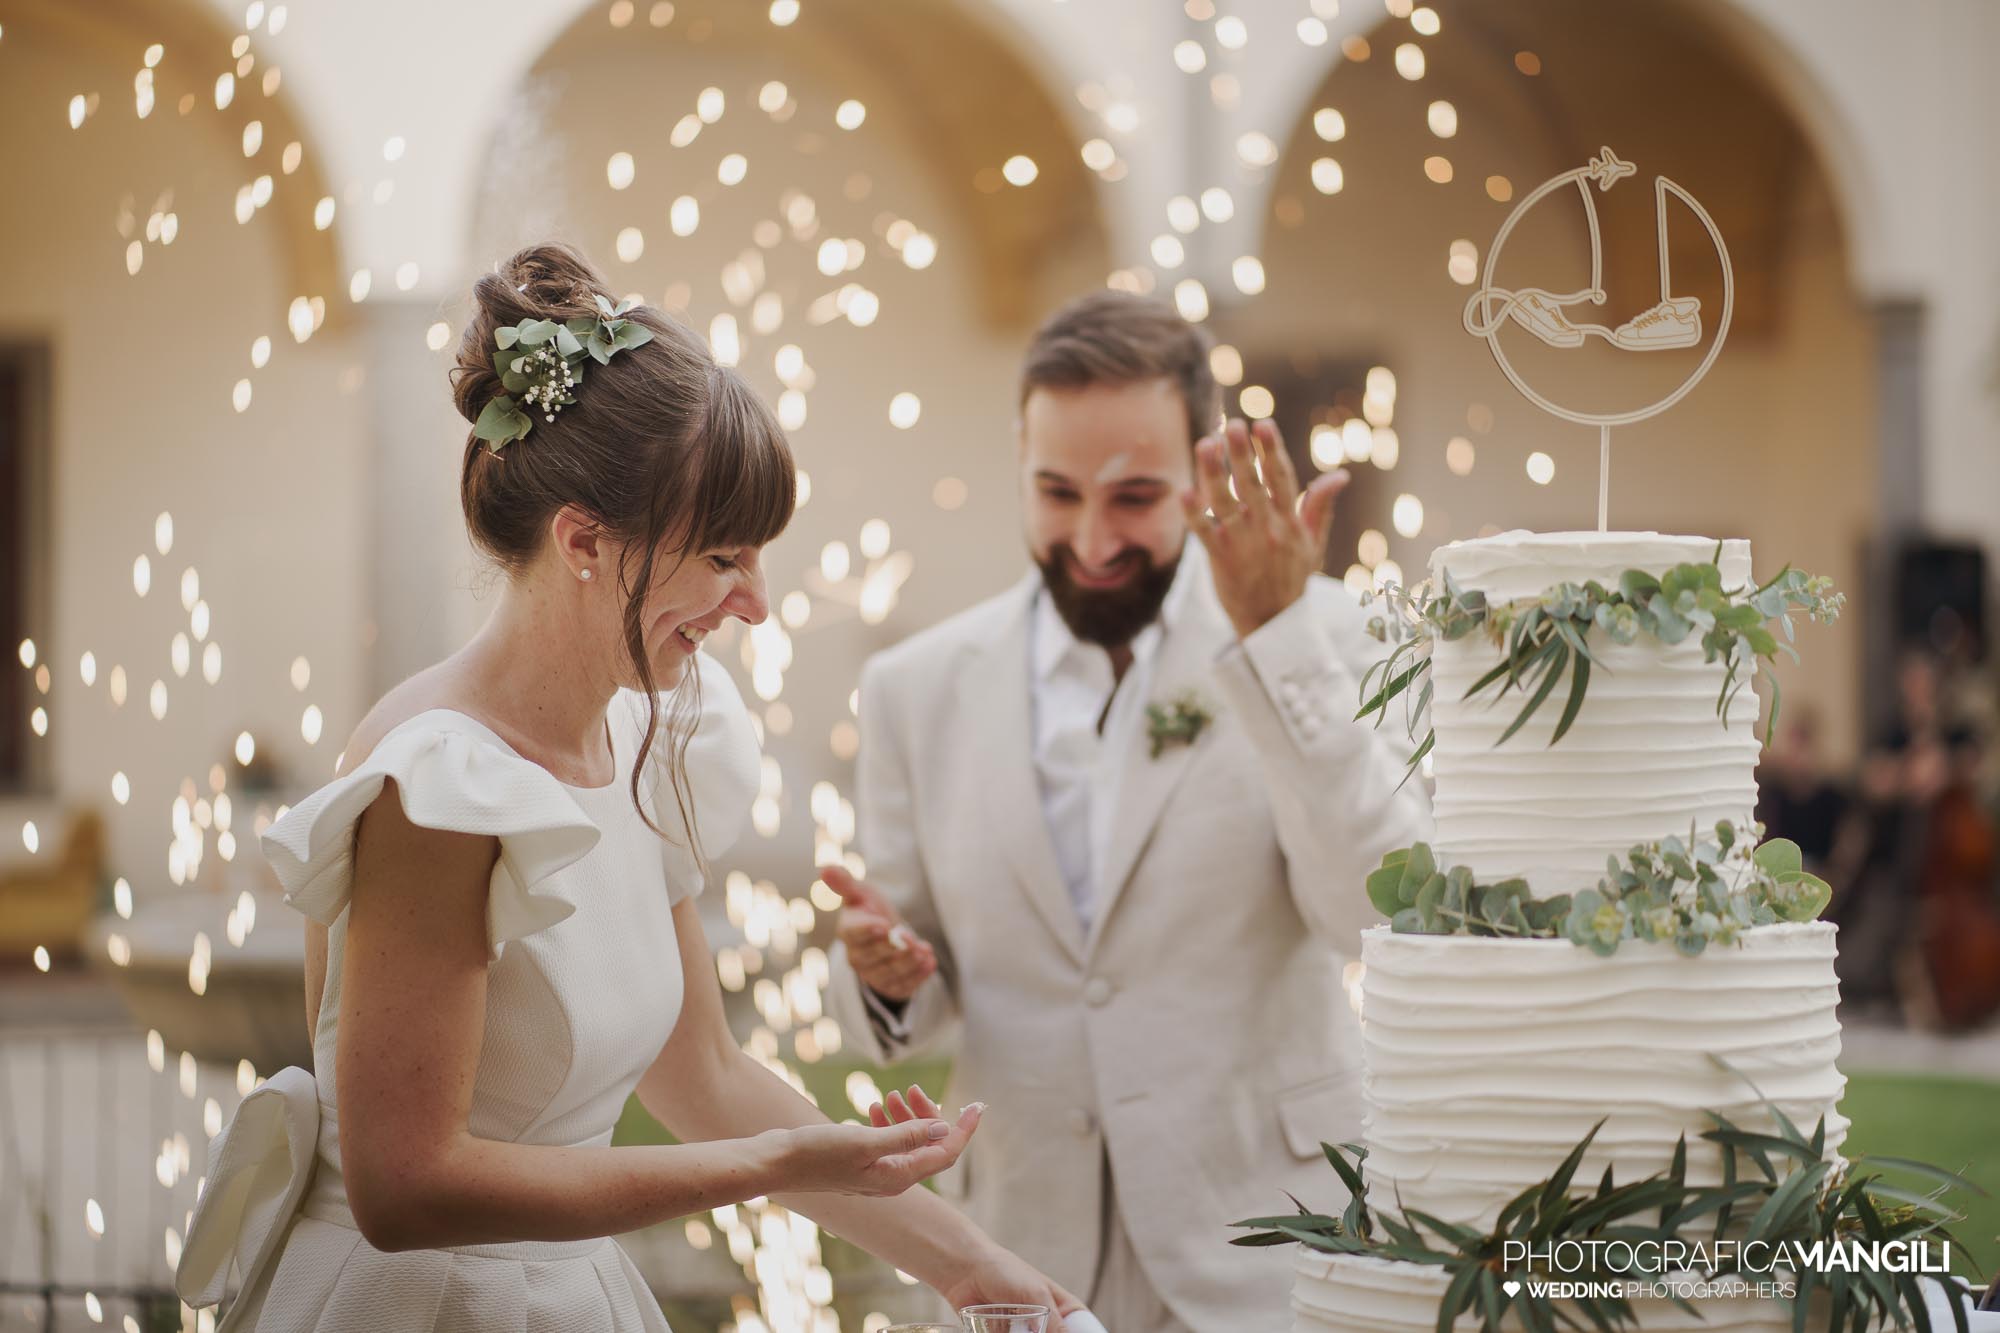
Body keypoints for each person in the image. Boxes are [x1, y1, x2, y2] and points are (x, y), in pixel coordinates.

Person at [175, 243, 1081, 1331]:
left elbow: (699, 1073)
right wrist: (763, 1164)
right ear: (584, 542)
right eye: (725, 558)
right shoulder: (440, 785)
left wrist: (968, 1261)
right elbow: (403, 1185)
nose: (756, 604)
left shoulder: (648, 737)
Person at [821, 291, 1434, 1331]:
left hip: (1275, 1257)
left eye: (1134, 496)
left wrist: (1275, 637)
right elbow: (895, 1003)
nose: (1092, 539)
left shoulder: (1326, 637)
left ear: (1205, 471)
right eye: (1056, 492)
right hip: (1019, 1269)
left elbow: (1384, 915)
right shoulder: (912, 690)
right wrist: (882, 975)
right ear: (1018, 459)